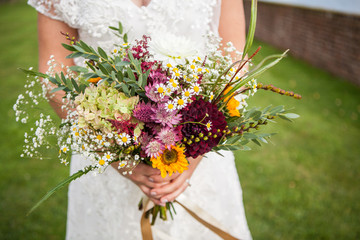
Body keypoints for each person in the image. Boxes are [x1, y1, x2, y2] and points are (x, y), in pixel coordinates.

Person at [28, 0, 252, 239]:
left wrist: (197, 149)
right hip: (104, 150)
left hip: (201, 151)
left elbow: (234, 61)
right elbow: (54, 74)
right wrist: (115, 155)